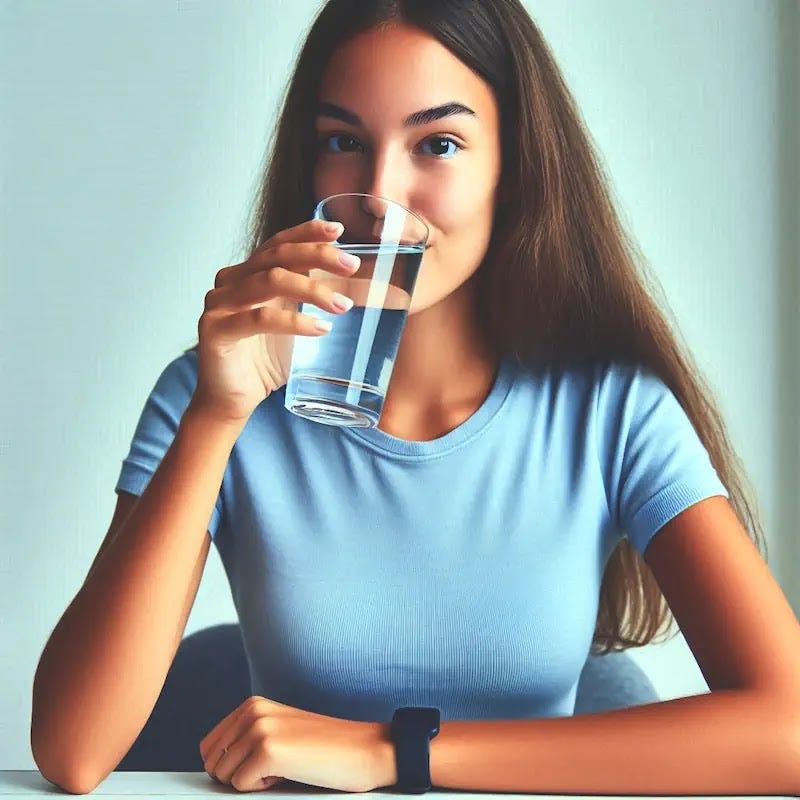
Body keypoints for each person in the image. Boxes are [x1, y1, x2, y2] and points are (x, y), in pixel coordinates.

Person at [32, 1, 775, 796]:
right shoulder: (214, 393)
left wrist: (393, 753)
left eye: (438, 144)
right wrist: (217, 416)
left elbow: (788, 730)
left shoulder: (612, 410)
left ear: (514, 169)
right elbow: (73, 753)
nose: (380, 193)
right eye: (344, 142)